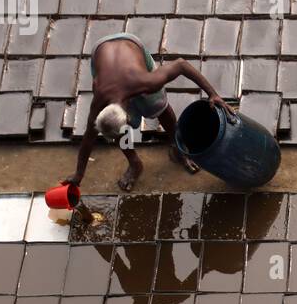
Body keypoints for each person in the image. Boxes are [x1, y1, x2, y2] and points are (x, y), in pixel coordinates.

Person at [63, 33, 235, 191]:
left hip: (131, 44)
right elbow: (88, 138)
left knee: (157, 105)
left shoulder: (148, 81)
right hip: (101, 52)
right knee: (113, 128)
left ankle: (178, 147)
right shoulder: (100, 96)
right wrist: (79, 175)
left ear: (128, 116)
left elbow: (181, 64)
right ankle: (135, 163)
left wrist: (213, 94)